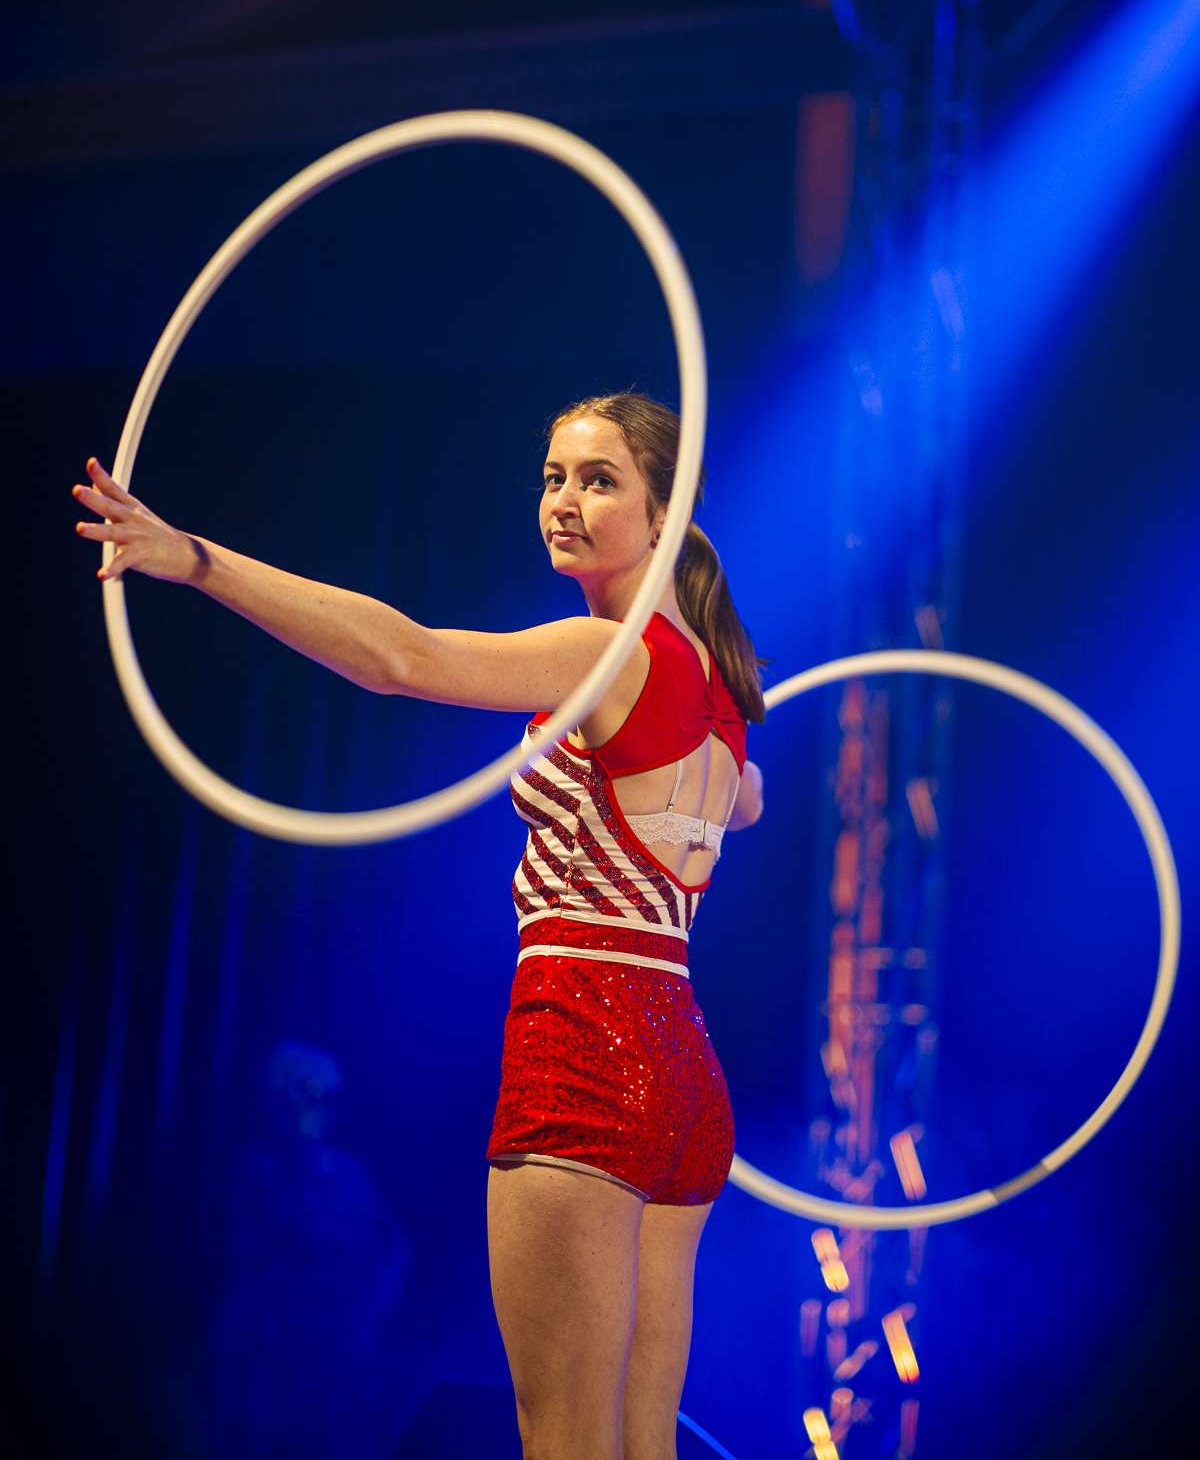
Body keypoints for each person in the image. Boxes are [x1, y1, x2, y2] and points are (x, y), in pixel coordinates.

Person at [72, 389, 765, 1460]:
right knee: (641, 1444)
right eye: (553, 477)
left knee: (567, 1441)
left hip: (588, 1045)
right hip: (682, 1073)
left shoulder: (605, 653)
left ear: (664, 513)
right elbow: (744, 801)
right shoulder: (716, 678)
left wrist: (196, 560)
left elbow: (399, 657)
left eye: (599, 481)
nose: (563, 501)